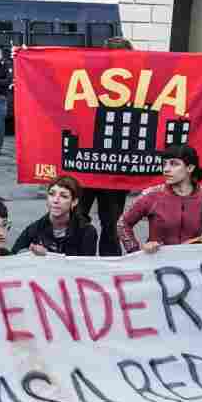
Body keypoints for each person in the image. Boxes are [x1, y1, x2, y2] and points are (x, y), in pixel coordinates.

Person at [77, 36, 135, 257]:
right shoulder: (90, 79)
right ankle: (91, 262)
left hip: (103, 165)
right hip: (93, 163)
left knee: (108, 224)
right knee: (85, 221)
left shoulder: (135, 84)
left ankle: (99, 265)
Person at [116, 144, 202, 254]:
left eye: (174, 164)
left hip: (193, 264)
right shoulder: (152, 195)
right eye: (164, 164)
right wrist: (136, 251)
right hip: (156, 265)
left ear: (190, 168)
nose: (166, 169)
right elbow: (123, 223)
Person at [12, 175, 99, 256]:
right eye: (51, 194)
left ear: (74, 202)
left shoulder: (87, 232)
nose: (56, 200)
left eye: (63, 196)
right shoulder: (35, 229)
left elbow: (86, 267)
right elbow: (13, 256)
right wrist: (29, 253)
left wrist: (48, 255)